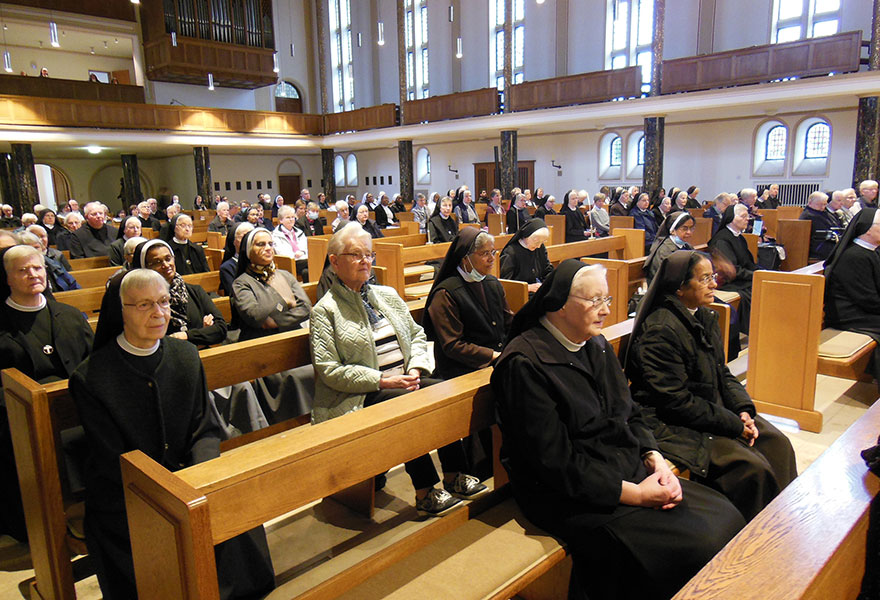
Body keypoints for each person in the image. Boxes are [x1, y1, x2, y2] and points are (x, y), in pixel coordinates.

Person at [491, 259, 744, 600]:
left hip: (621, 466)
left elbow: (630, 411)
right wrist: (637, 494)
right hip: (566, 494)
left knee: (726, 516)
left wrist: (654, 457)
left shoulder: (593, 343)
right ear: (560, 303)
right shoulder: (524, 364)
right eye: (595, 301)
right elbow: (553, 464)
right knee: (699, 544)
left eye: (607, 300)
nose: (606, 311)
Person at [72, 268, 274, 600]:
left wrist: (203, 476)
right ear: (120, 311)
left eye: (164, 301)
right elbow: (112, 458)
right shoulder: (93, 376)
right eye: (144, 305)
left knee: (232, 506)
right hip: (129, 490)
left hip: (192, 474)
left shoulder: (185, 355)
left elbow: (204, 426)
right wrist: (170, 491)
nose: (159, 313)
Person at [310, 223, 484, 515]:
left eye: (369, 254)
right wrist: (383, 381)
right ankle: (425, 490)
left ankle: (455, 475)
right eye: (356, 255)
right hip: (360, 395)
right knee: (406, 406)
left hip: (404, 382)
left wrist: (416, 368)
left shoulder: (387, 295)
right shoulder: (325, 311)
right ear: (334, 261)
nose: (366, 261)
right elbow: (330, 370)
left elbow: (416, 335)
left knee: (443, 392)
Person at [626, 251, 797, 520]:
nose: (714, 284)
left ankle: (781, 521)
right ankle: (755, 538)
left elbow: (722, 373)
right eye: (705, 279)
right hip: (670, 422)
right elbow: (675, 402)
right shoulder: (660, 330)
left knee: (777, 443)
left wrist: (742, 410)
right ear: (680, 288)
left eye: (712, 276)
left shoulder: (703, 316)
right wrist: (733, 425)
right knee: (751, 468)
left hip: (708, 409)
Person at [0, 245, 93, 547]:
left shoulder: (68, 316)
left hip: (77, 407)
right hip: (20, 415)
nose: (32, 274)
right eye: (22, 270)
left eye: (37, 268)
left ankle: (101, 511)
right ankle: (62, 520)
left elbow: (95, 363)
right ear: (8, 278)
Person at [424, 228, 514, 379]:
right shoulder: (446, 293)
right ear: (465, 258)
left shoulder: (493, 283)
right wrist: (492, 355)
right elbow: (453, 345)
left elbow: (508, 322)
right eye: (484, 253)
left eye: (493, 252)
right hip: (461, 369)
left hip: (496, 359)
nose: (492, 259)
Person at [133, 239, 228, 347]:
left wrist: (185, 336)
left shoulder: (195, 291)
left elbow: (221, 329)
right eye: (157, 262)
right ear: (145, 268)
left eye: (168, 259)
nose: (165, 265)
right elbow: (153, 343)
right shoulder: (143, 302)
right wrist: (202, 335)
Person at [824, 208, 880, 384]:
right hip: (850, 315)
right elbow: (866, 298)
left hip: (865, 310)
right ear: (868, 229)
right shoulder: (854, 256)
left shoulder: (871, 251)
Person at [231, 228, 311, 341]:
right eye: (260, 244)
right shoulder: (241, 282)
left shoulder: (285, 275)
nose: (268, 248)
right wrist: (285, 300)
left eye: (270, 244)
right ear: (249, 250)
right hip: (261, 341)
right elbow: (256, 317)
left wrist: (275, 321)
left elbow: (306, 307)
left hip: (293, 335)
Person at [708, 204, 759, 334]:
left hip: (741, 277)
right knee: (753, 291)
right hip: (728, 282)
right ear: (731, 218)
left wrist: (760, 272)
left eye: (747, 216)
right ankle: (752, 330)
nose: (747, 219)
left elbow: (748, 263)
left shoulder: (739, 237)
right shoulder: (722, 239)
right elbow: (730, 270)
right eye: (743, 216)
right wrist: (755, 275)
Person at [499, 219, 553, 294]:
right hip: (519, 294)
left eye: (542, 242)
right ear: (527, 236)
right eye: (537, 242)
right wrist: (528, 287)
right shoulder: (510, 252)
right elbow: (506, 283)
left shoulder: (540, 248)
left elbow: (548, 270)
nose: (538, 246)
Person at [644, 211, 696, 283]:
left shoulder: (688, 247)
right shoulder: (664, 251)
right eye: (685, 228)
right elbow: (666, 280)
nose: (689, 232)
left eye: (691, 228)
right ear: (672, 231)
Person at [799, 191, 842, 261]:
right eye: (819, 204)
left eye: (824, 204)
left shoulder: (826, 213)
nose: (822, 207)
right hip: (818, 251)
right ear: (810, 203)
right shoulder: (807, 215)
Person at [272, 205, 309, 281]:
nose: (291, 219)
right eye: (288, 217)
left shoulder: (299, 232)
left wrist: (302, 251)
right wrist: (295, 255)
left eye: (292, 217)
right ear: (281, 220)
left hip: (303, 260)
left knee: (306, 272)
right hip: (288, 262)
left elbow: (306, 247)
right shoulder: (275, 235)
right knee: (313, 263)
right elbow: (281, 252)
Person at [219, 222, 254, 297]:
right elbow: (236, 296)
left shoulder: (260, 262)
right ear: (234, 241)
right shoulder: (227, 268)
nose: (247, 241)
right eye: (243, 237)